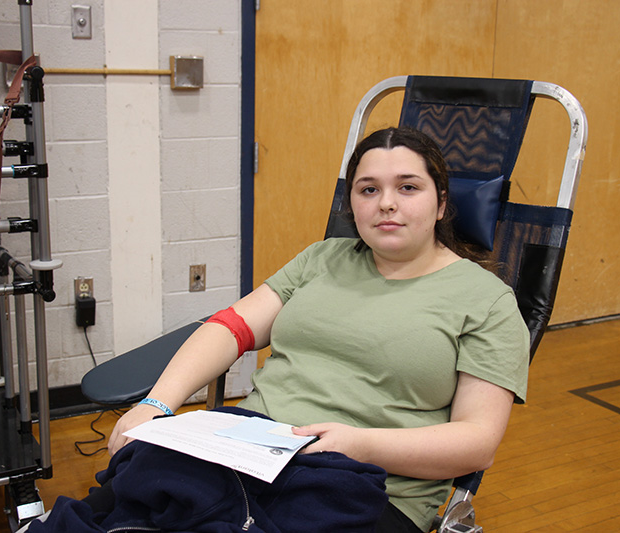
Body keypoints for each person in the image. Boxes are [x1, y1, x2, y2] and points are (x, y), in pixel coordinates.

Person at [33, 126, 529, 533]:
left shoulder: (485, 301)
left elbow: (476, 440)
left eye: (408, 187)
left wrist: (358, 444)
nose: (386, 203)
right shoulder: (324, 258)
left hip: (365, 482)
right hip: (245, 448)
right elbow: (229, 328)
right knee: (117, 501)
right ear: (352, 201)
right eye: (369, 189)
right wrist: (155, 405)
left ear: (442, 204)